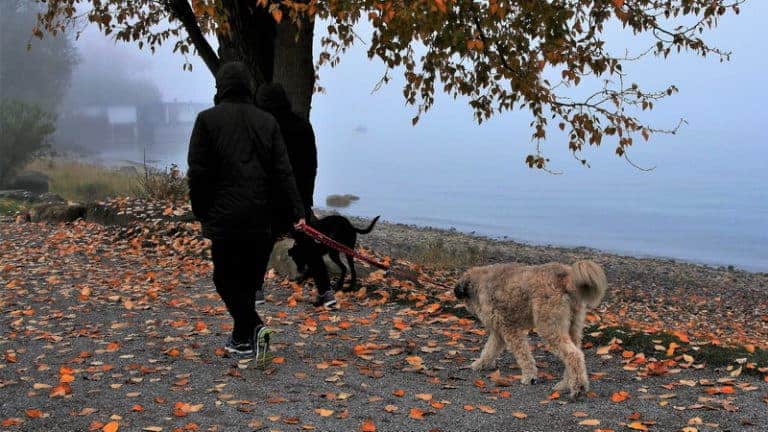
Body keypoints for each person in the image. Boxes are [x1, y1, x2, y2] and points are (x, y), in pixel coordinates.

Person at [187, 62, 305, 358]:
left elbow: (198, 172)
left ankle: (252, 327)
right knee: (250, 280)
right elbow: (283, 171)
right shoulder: (267, 122)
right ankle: (243, 338)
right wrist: (296, 211)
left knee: (224, 278)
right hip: (262, 218)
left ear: (221, 88)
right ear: (248, 87)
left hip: (224, 217)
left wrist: (201, 211)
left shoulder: (206, 120)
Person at [256, 83, 336, 308]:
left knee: (263, 242)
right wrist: (306, 198)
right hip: (298, 196)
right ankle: (326, 291)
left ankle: (256, 290)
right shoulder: (302, 126)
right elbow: (312, 164)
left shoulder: (265, 127)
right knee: (308, 244)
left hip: (272, 197)